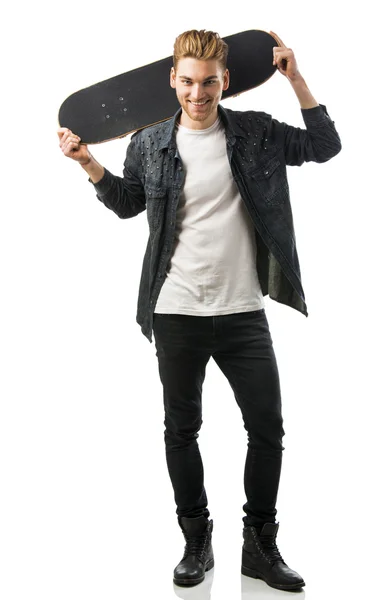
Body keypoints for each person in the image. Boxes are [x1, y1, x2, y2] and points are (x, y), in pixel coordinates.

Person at [58, 29, 341, 591]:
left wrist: (296, 80)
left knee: (267, 429)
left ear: (225, 81)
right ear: (172, 81)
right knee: (181, 430)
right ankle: (196, 541)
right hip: (176, 310)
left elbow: (324, 145)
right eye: (187, 81)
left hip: (241, 311)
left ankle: (260, 544)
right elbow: (127, 204)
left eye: (208, 82)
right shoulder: (149, 142)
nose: (197, 93)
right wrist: (88, 162)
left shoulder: (256, 132)